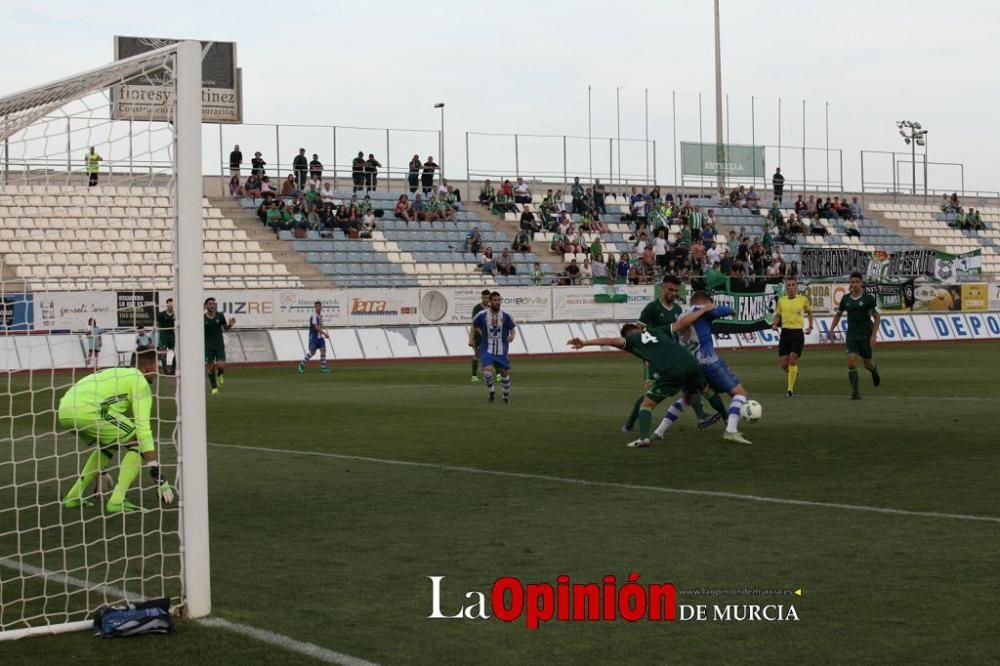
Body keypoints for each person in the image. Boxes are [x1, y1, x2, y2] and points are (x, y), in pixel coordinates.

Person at [568, 312, 714, 448]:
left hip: (670, 358)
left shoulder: (660, 322)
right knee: (657, 394)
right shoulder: (650, 318)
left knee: (674, 392)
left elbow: (614, 340)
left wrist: (585, 343)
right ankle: (633, 424)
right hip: (659, 362)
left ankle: (698, 417)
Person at [58, 347, 175, 513]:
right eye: (156, 367)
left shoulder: (118, 373)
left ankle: (74, 496)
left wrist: (102, 471)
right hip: (89, 409)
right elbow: (143, 430)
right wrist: (158, 477)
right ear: (148, 368)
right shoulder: (140, 382)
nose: (157, 372)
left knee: (110, 444)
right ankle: (117, 500)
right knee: (137, 442)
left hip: (65, 409)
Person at [650, 291, 754, 445]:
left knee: (687, 398)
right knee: (739, 394)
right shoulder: (703, 310)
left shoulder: (681, 315)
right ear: (705, 301)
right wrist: (729, 310)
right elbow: (723, 311)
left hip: (689, 366)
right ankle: (731, 430)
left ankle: (659, 432)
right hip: (708, 361)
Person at [622, 275, 722, 432]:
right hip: (656, 360)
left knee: (691, 384)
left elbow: (681, 329)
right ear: (662, 288)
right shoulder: (652, 308)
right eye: (670, 289)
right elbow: (638, 334)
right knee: (649, 395)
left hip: (674, 358)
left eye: (676, 290)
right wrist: (646, 359)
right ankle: (630, 423)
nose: (673, 293)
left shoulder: (677, 309)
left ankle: (701, 416)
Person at [828, 271, 881, 400]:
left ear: (861, 283)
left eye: (857, 282)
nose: (855, 284)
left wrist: (873, 335)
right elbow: (839, 314)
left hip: (865, 335)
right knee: (851, 362)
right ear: (850, 284)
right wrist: (831, 329)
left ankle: (874, 370)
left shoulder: (868, 299)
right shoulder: (846, 299)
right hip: (851, 335)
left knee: (867, 363)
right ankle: (855, 392)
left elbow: (877, 317)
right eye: (852, 282)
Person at [469, 291, 517, 404]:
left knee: (504, 373)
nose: (497, 302)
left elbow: (512, 328)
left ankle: (506, 395)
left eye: (499, 300)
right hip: (487, 348)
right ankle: (491, 390)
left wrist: (512, 336)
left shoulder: (506, 315)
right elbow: (473, 325)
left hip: (502, 349)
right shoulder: (482, 314)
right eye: (494, 300)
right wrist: (470, 339)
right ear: (490, 302)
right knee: (487, 371)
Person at [772, 276, 813, 397]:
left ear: (796, 286)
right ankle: (794, 372)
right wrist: (774, 324)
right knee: (784, 364)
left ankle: (790, 390)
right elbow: (777, 315)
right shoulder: (781, 300)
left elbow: (810, 313)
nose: (791, 288)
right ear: (786, 287)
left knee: (792, 359)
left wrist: (810, 327)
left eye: (793, 285)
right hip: (785, 333)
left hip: (797, 334)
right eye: (788, 285)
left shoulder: (803, 299)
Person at [204, 297, 235, 396]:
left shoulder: (220, 316)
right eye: (210, 304)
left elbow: (225, 328)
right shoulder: (202, 318)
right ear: (206, 306)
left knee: (220, 365)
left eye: (213, 304)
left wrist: (230, 325)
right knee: (210, 367)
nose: (212, 305)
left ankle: (220, 374)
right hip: (208, 346)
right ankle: (214, 387)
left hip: (219, 345)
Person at [299, 301, 332, 374]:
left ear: (321, 307)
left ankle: (323, 367)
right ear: (315, 307)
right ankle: (302, 364)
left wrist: (323, 330)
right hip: (314, 336)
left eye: (319, 306)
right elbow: (316, 327)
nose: (318, 308)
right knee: (312, 352)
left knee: (323, 350)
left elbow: (319, 326)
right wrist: (324, 333)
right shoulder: (314, 315)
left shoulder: (320, 316)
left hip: (319, 337)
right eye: (317, 306)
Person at [470, 289, 491, 382]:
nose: (487, 299)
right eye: (485, 298)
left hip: (489, 336)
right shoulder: (477, 308)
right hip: (479, 336)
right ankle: (474, 376)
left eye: (488, 298)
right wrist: (473, 337)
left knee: (488, 355)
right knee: (478, 355)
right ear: (482, 298)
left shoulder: (491, 308)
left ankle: (486, 375)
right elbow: (475, 324)